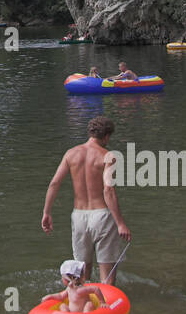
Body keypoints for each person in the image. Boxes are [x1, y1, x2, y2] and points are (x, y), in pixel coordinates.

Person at [41, 115, 131, 285]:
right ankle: (105, 308)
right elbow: (108, 190)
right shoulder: (108, 156)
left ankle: (80, 305)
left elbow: (54, 183)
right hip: (102, 216)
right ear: (106, 136)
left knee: (81, 274)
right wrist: (120, 223)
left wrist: (47, 212)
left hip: (78, 217)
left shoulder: (71, 154)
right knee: (107, 276)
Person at [41, 260, 107, 313]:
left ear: (68, 279)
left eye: (63, 277)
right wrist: (50, 296)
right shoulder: (69, 288)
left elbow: (95, 289)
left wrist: (102, 302)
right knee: (62, 306)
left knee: (89, 305)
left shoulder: (80, 290)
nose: (61, 279)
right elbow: (61, 296)